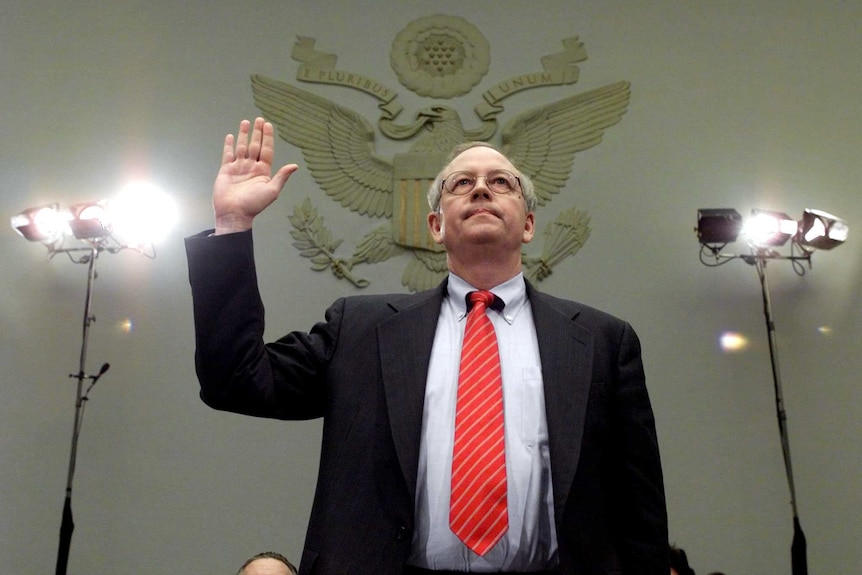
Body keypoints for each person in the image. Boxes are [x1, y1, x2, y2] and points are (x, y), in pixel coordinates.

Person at [186, 117, 668, 575]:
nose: (481, 188)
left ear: (528, 225)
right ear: (435, 227)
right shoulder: (360, 331)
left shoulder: (603, 342)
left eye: (502, 182)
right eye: (461, 183)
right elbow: (236, 381)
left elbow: (640, 508)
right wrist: (232, 225)